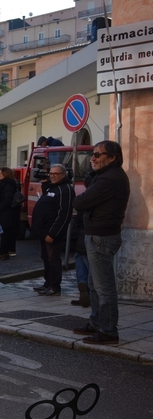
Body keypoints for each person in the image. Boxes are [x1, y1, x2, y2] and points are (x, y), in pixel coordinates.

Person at [72, 141, 130, 345]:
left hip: (102, 237)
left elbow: (80, 202)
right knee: (94, 285)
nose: (93, 158)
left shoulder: (110, 179)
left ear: (112, 158)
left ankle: (108, 331)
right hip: (97, 235)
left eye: (97, 155)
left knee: (103, 287)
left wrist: (86, 195)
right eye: (92, 154)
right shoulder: (105, 176)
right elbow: (88, 185)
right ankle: (97, 323)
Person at [32, 163, 74, 296]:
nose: (52, 176)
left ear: (63, 175)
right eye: (51, 173)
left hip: (52, 232)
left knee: (53, 259)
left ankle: (55, 286)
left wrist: (53, 233)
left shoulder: (65, 189)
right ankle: (48, 283)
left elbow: (64, 214)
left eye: (56, 174)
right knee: (45, 257)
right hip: (43, 231)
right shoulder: (53, 188)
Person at [0, 167, 21, 260]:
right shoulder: (12, 183)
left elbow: (7, 199)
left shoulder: (7, 184)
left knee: (5, 233)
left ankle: (2, 252)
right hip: (10, 212)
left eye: (1, 173)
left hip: (6, 212)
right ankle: (10, 250)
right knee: (9, 233)